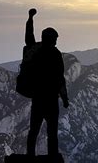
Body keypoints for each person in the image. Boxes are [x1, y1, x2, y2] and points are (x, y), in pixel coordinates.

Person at [25, 8, 69, 157]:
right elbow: (60, 79)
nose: (56, 41)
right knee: (52, 133)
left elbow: (28, 38)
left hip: (37, 99)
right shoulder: (55, 55)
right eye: (55, 39)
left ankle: (30, 156)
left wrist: (30, 19)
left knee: (34, 131)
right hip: (50, 100)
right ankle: (52, 157)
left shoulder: (35, 50)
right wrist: (64, 98)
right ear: (51, 39)